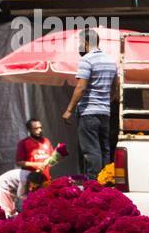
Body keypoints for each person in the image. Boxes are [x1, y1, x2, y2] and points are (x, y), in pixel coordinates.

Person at [62, 26, 117, 178]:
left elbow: (81, 87)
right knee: (104, 148)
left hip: (88, 113)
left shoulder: (86, 60)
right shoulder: (111, 61)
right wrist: (105, 101)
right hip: (105, 113)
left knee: (91, 150)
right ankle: (106, 181)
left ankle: (94, 184)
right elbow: (115, 88)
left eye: (80, 43)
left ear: (86, 43)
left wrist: (69, 110)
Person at [15, 117, 54, 201]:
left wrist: (57, 156)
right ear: (29, 130)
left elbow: (52, 158)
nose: (39, 130)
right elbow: (19, 162)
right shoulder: (23, 143)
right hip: (31, 182)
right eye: (35, 128)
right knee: (33, 203)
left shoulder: (46, 141)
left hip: (46, 180)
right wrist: (36, 165)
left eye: (40, 128)